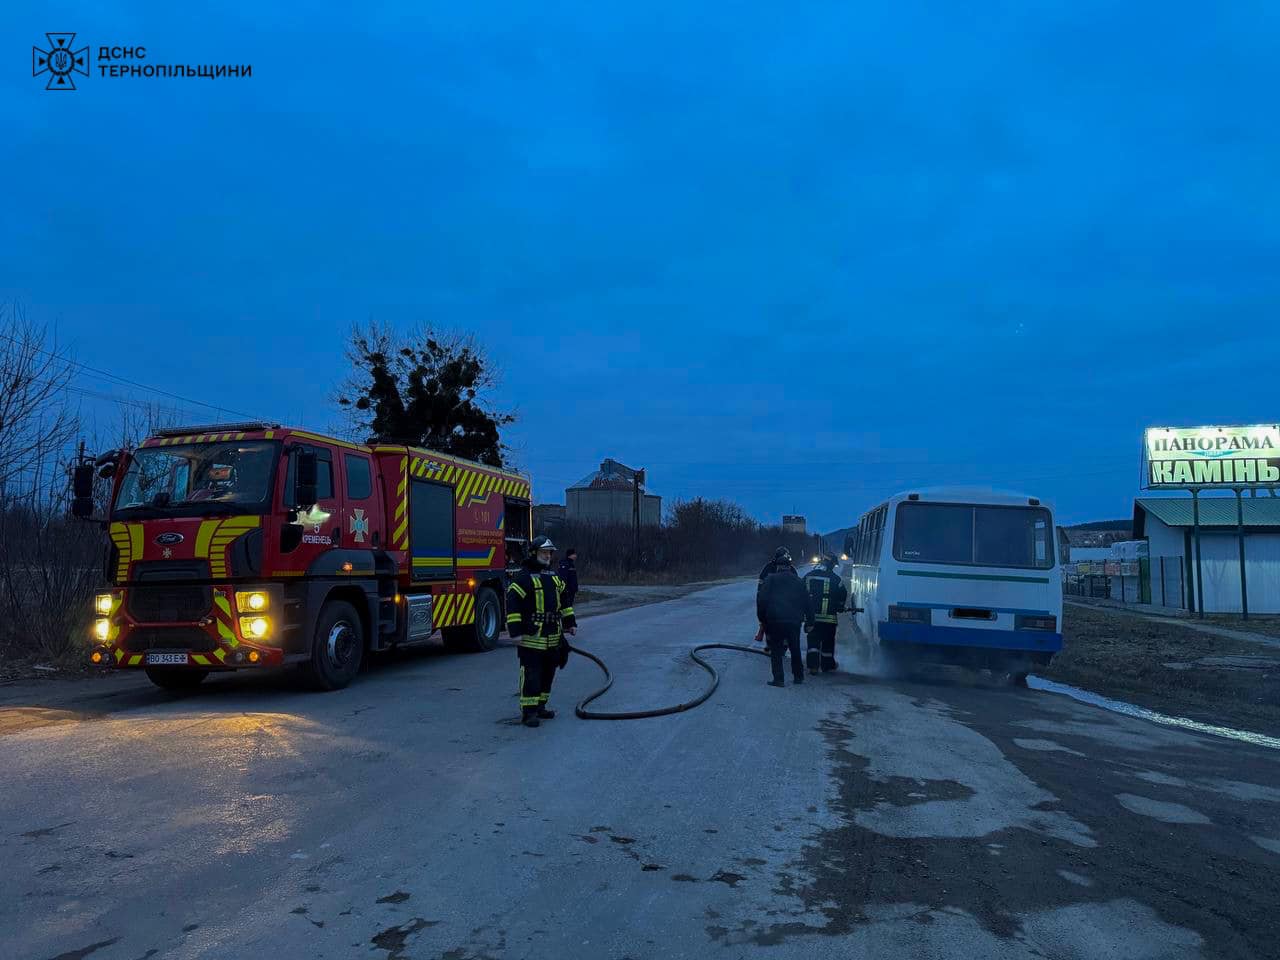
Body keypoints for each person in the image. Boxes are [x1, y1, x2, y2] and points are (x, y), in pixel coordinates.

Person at [506, 535, 577, 727]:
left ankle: (541, 706)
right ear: (534, 553)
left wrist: (570, 623)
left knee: (548, 674)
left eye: (549, 553)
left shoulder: (553, 577)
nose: (547, 556)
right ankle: (528, 712)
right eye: (544, 552)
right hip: (532, 638)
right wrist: (515, 632)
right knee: (531, 675)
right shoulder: (523, 577)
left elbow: (565, 601)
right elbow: (512, 605)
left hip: (553, 637)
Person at [756, 562, 812, 687]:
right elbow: (807, 602)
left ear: (778, 567)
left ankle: (779, 679)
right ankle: (798, 676)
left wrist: (763, 620)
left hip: (775, 621)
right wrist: (810, 621)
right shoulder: (798, 581)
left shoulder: (770, 580)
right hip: (794, 621)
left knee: (776, 650)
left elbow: (762, 601)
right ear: (790, 567)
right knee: (795, 648)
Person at [804, 555, 848, 673]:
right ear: (832, 565)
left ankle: (813, 666)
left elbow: (801, 592)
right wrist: (840, 606)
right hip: (829, 620)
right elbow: (843, 594)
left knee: (813, 641)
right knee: (828, 643)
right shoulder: (836, 579)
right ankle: (827, 666)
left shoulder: (808, 576)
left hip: (812, 617)